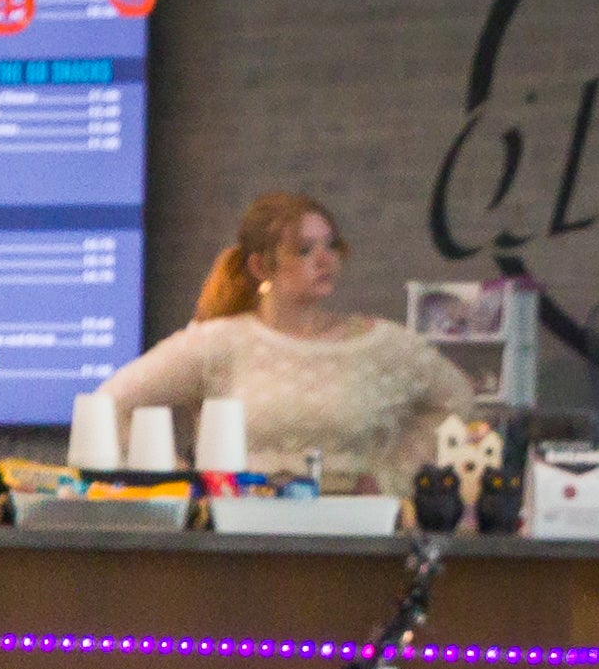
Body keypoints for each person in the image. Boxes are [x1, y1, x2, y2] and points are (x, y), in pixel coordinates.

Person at [66, 192, 476, 492]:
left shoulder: (386, 346)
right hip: (242, 543)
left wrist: (395, 477)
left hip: (358, 538)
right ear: (261, 265)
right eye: (304, 249)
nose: (324, 259)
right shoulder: (218, 343)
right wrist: (179, 484)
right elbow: (111, 403)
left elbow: (457, 402)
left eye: (331, 245)